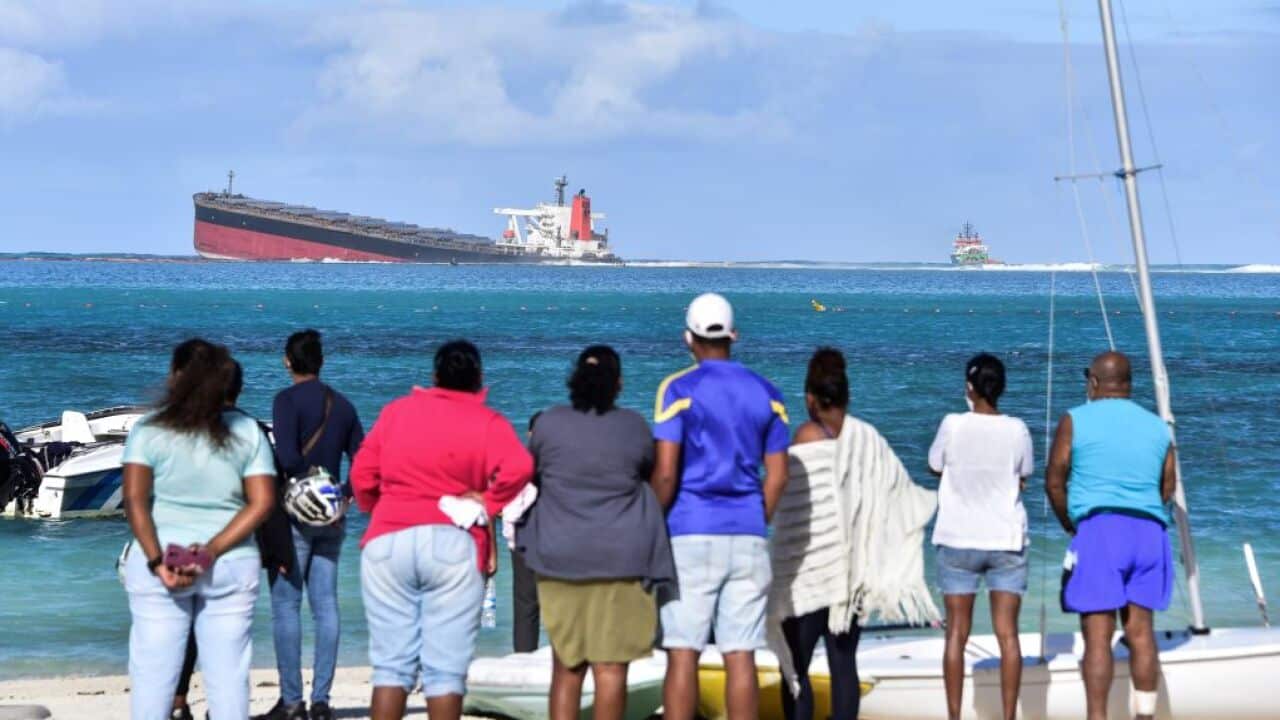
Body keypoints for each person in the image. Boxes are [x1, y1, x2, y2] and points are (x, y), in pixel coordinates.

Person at [351, 339, 533, 720]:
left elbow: (361, 475)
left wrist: (378, 509)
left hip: (388, 540)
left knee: (390, 670)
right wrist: (487, 503)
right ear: (480, 379)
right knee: (445, 673)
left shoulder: (396, 412)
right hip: (453, 540)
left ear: (434, 377)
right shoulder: (487, 421)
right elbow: (519, 468)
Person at [769, 348, 939, 720]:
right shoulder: (869, 440)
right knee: (843, 665)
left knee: (795, 668)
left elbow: (789, 511)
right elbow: (896, 498)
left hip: (811, 575)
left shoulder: (805, 436)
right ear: (847, 396)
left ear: (810, 399)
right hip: (853, 577)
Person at [650, 293, 790, 720]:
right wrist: (755, 519)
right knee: (740, 654)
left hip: (690, 531)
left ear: (688, 338)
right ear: (734, 335)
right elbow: (778, 476)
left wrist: (652, 527)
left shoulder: (676, 390)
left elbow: (667, 474)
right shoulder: (768, 393)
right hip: (747, 531)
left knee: (682, 653)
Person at [517, 346, 676, 720]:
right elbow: (653, 479)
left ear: (574, 379)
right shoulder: (633, 427)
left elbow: (532, 476)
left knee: (567, 669)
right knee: (611, 670)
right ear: (618, 383)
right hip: (622, 557)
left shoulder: (549, 424)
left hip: (560, 557)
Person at [121, 339, 277, 720]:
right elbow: (262, 502)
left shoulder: (148, 430)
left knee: (152, 681)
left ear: (175, 376)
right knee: (228, 682)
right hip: (229, 563)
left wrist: (158, 560)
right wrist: (209, 551)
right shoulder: (247, 431)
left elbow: (135, 502)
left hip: (161, 562)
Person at [1046, 351, 1176, 720]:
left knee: (1098, 636)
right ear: (1129, 383)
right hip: (1150, 533)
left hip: (1101, 530)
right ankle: (1145, 715)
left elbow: (1054, 481)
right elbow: (1168, 486)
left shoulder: (1076, 419)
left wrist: (1071, 523)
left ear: (1093, 383)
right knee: (1141, 632)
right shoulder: (1157, 426)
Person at [257, 330, 365, 720]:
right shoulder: (344, 405)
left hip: (294, 514)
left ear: (288, 361)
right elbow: (363, 457)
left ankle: (291, 702)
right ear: (320, 361)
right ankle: (322, 701)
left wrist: (301, 485)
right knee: (326, 606)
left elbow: (286, 456)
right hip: (332, 512)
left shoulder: (285, 401)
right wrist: (344, 493)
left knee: (286, 605)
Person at [928, 353, 1034, 720]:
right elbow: (1025, 474)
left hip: (958, 536)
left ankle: (955, 716)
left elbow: (934, 465)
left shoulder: (953, 424)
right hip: (1005, 538)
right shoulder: (1017, 428)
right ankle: (1008, 716)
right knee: (1008, 636)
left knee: (956, 633)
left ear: (969, 388)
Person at [507, 412, 543, 654]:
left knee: (525, 606)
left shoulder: (517, 461)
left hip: (522, 538)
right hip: (558, 538)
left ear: (529, 434)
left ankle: (524, 658)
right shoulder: (563, 462)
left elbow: (507, 507)